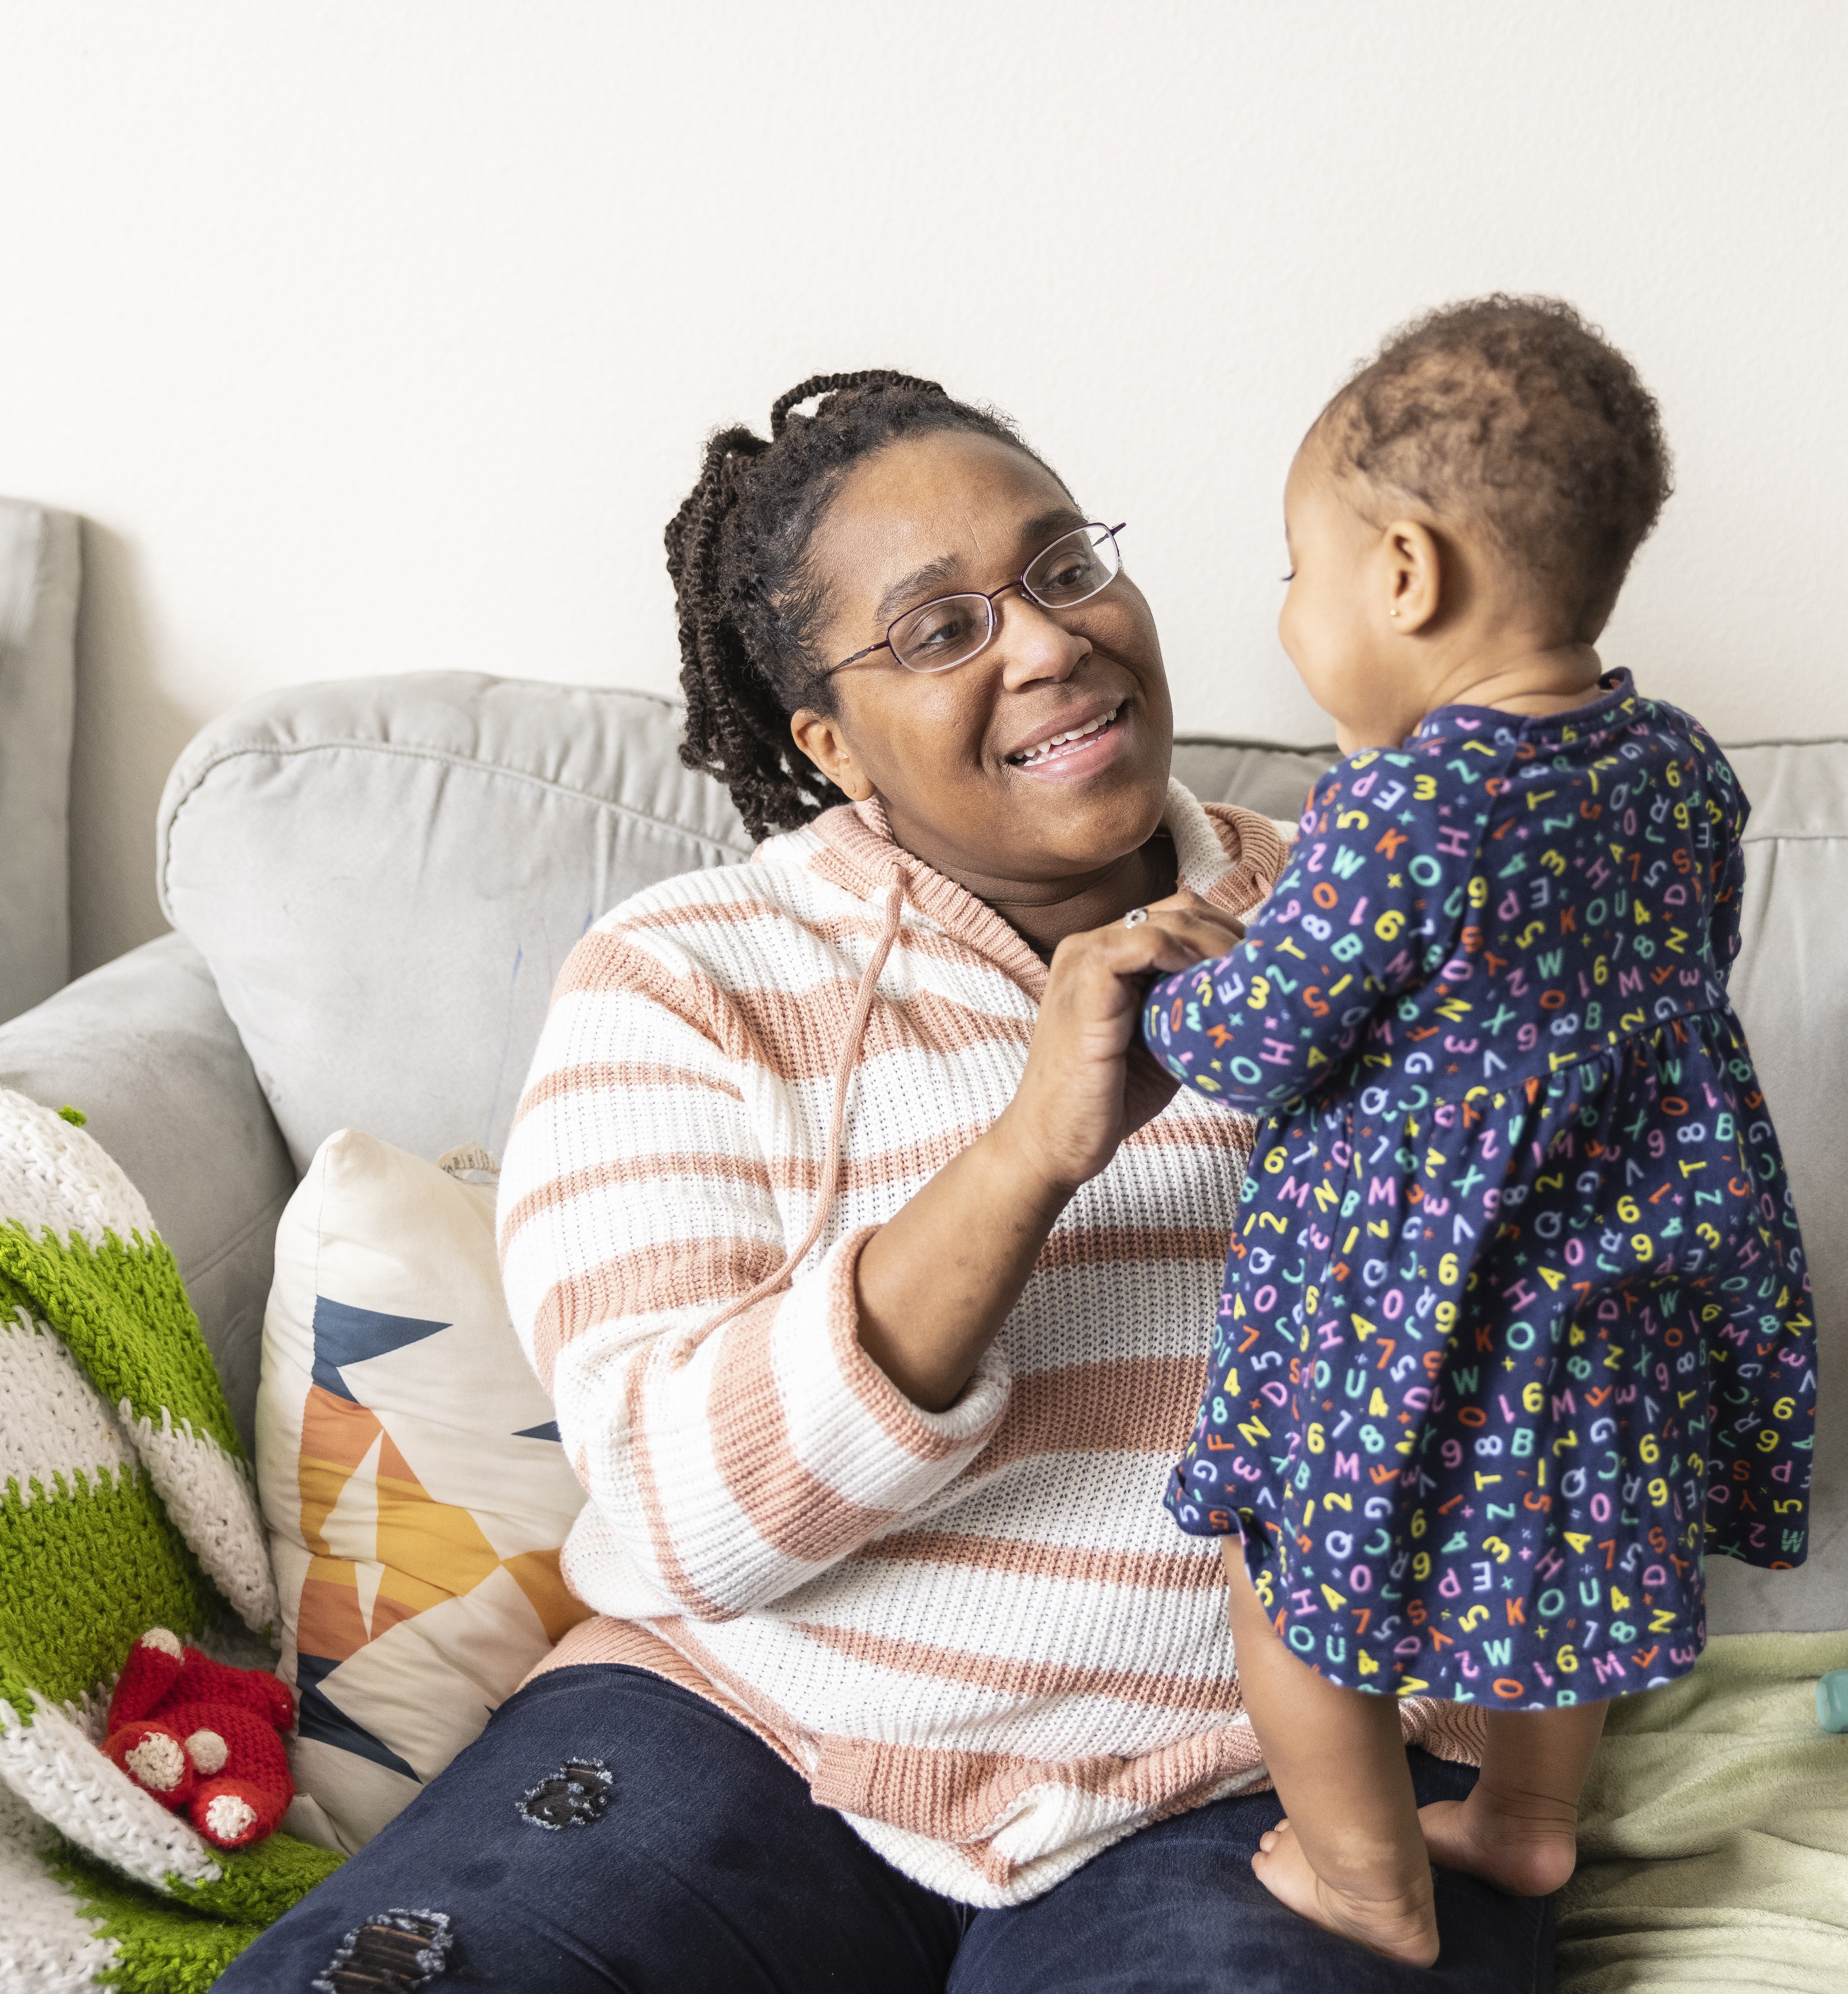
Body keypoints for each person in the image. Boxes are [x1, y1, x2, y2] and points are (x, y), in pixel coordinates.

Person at [216, 371, 1553, 1993]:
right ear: (831, 745)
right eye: (939, 630)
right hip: (746, 1727)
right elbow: (690, 1519)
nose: (1050, 640)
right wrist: (1032, 1153)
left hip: (1265, 1767)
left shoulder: (1378, 911)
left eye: (1065, 567)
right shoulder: (682, 975)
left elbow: (1566, 1345)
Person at [1140, 299, 1816, 1967]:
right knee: (1565, 1561)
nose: (1291, 613)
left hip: (1410, 1308)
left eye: (1297, 572)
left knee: (1295, 1575)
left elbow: (1262, 1041)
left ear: (1402, 573)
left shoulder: (1405, 813)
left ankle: (1365, 1873)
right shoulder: (1677, 771)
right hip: (1615, 1292)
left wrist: (1181, 990)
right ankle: (1524, 1825)